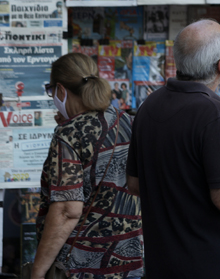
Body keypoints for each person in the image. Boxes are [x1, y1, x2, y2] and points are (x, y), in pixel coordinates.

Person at [127, 19, 220, 278]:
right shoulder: (213, 115)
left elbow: (134, 184)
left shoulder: (149, 106)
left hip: (162, 266)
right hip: (211, 266)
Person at [33, 53, 142, 279]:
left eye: (51, 91)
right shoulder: (129, 122)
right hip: (131, 264)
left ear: (61, 90)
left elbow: (66, 211)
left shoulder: (69, 134)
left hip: (82, 267)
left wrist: (38, 271)